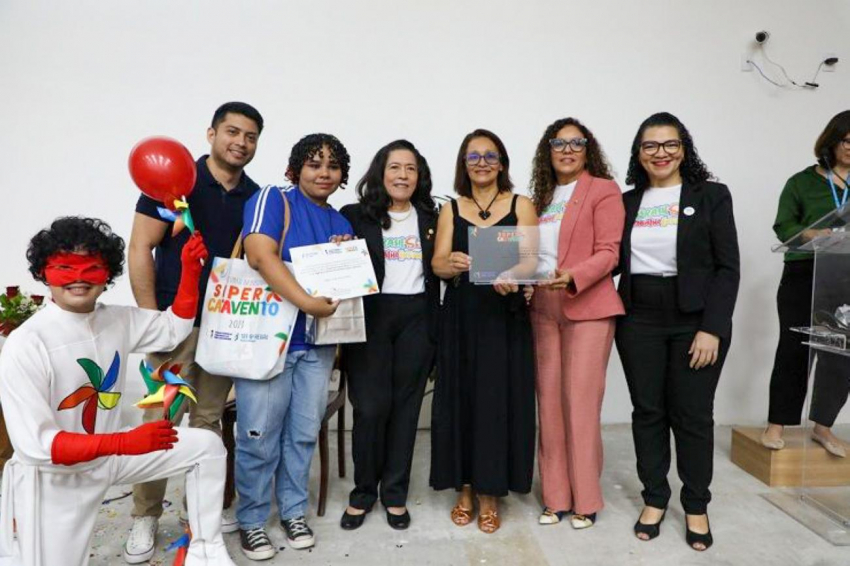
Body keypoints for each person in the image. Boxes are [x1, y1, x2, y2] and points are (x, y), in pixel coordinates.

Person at [0, 217, 238, 566]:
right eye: (65, 266)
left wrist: (189, 272)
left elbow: (173, 329)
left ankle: (205, 551)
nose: (79, 277)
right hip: (54, 480)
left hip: (108, 458)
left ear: (107, 272)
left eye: (92, 267)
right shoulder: (26, 343)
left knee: (206, 446)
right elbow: (37, 446)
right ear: (44, 272)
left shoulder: (116, 319)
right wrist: (125, 443)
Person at [126, 101, 263, 563]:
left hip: (226, 327)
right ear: (211, 133)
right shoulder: (175, 181)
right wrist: (152, 321)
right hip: (174, 324)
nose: (240, 142)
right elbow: (141, 248)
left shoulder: (255, 196)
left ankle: (196, 515)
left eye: (250, 136)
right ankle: (145, 513)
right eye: (232, 132)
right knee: (160, 422)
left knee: (206, 424)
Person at [615, 112, 739, 551]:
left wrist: (713, 328)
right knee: (648, 411)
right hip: (638, 318)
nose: (660, 153)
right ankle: (654, 497)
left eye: (669, 144)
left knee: (692, 415)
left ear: (684, 149)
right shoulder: (627, 202)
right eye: (650, 146)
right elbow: (604, 257)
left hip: (694, 319)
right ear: (639, 153)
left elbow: (727, 268)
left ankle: (696, 504)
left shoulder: (712, 197)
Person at [238, 133, 353, 561]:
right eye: (313, 163)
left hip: (318, 346)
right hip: (270, 342)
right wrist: (306, 301)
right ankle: (251, 520)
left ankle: (292, 512)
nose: (323, 172)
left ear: (342, 174)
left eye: (332, 165)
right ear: (295, 169)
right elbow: (258, 254)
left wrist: (346, 261)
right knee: (258, 437)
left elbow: (343, 288)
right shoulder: (274, 198)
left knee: (302, 435)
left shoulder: (341, 223)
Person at [430, 129, 537, 534]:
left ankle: (491, 493)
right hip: (460, 315)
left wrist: (512, 273)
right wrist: (451, 262)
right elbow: (437, 264)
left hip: (503, 315)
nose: (482, 162)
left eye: (490, 155)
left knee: (496, 403)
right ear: (463, 163)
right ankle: (465, 489)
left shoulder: (520, 204)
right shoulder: (451, 209)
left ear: (502, 162)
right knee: (460, 400)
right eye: (473, 156)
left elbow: (530, 261)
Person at [527, 118, 624, 529]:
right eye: (558, 143)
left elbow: (609, 252)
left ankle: (586, 499)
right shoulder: (540, 198)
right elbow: (531, 254)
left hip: (588, 306)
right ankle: (555, 497)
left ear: (588, 150)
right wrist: (525, 282)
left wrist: (574, 275)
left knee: (580, 405)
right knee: (548, 405)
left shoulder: (602, 190)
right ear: (547, 152)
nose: (567, 150)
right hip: (543, 309)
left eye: (576, 143)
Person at [339, 140, 439, 531]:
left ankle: (394, 493)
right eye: (395, 167)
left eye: (410, 169)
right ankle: (363, 492)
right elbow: (338, 259)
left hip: (418, 317)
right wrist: (339, 248)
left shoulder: (433, 215)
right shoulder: (355, 215)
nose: (402, 175)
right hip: (373, 316)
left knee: (406, 407)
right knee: (370, 407)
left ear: (420, 176)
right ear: (381, 173)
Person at [763, 110, 850, 457]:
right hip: (805, 273)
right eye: (847, 141)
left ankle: (823, 427)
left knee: (841, 353)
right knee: (795, 349)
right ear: (831, 141)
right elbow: (784, 228)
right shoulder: (801, 182)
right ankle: (776, 424)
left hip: (846, 277)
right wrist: (816, 233)